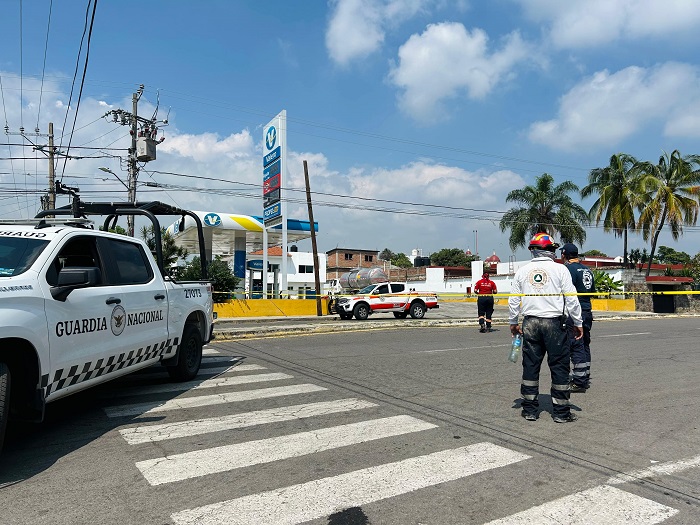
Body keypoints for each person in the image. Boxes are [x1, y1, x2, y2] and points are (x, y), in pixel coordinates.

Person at [508, 233, 584, 423]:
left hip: (531, 323)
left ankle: (530, 410)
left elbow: (514, 300)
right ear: (551, 249)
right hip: (554, 324)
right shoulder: (561, 270)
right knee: (559, 366)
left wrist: (513, 322)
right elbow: (572, 299)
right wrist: (578, 322)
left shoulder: (522, 271)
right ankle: (560, 413)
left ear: (532, 250)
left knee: (530, 366)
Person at [560, 243, 595, 393]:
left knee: (575, 345)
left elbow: (566, 292)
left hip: (576, 311)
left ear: (565, 255)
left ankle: (579, 381)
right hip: (587, 310)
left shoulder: (568, 270)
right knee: (585, 343)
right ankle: (585, 376)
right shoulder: (587, 270)